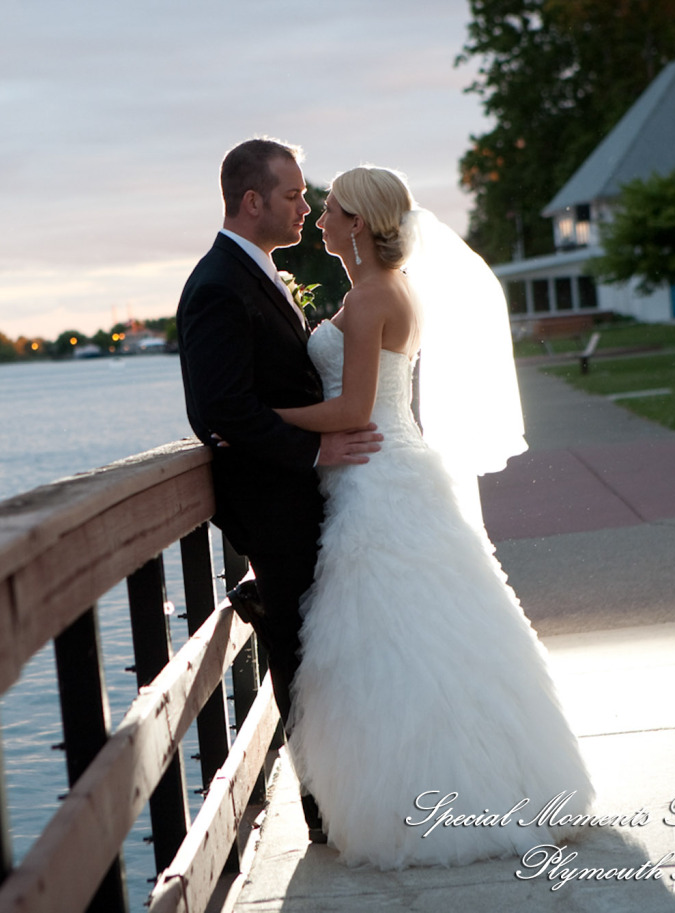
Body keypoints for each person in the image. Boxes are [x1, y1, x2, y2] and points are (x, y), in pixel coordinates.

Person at [273, 165, 595, 869]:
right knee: (432, 636)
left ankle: (430, 800)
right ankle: (487, 782)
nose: (320, 218)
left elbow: (353, 411)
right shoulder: (391, 291)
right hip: (394, 467)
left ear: (357, 223)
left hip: (375, 477)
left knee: (393, 641)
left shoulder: (368, 300)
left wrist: (261, 418)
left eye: (331, 210)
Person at [175, 139, 381, 837]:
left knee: (322, 645)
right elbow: (219, 411)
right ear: (251, 200)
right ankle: (326, 814)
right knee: (299, 650)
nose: (306, 206)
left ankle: (349, 794)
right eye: (292, 195)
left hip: (296, 496)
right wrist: (315, 448)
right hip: (271, 501)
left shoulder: (257, 271)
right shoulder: (215, 286)